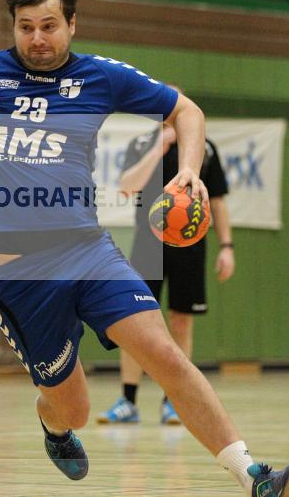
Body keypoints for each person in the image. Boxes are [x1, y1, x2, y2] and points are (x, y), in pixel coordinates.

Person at [0, 0, 289, 495]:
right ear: (12, 26)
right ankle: (54, 424)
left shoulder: (100, 77)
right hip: (17, 274)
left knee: (166, 354)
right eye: (25, 27)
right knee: (74, 408)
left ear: (72, 23)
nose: (36, 38)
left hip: (87, 250)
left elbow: (187, 110)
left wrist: (189, 171)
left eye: (49, 25)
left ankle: (252, 474)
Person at [98, 124, 235, 426]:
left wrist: (227, 246)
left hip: (189, 245)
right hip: (147, 245)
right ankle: (128, 401)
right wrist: (157, 148)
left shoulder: (204, 147)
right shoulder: (142, 143)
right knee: (133, 322)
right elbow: (126, 186)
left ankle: (173, 402)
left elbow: (218, 201)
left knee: (181, 319)